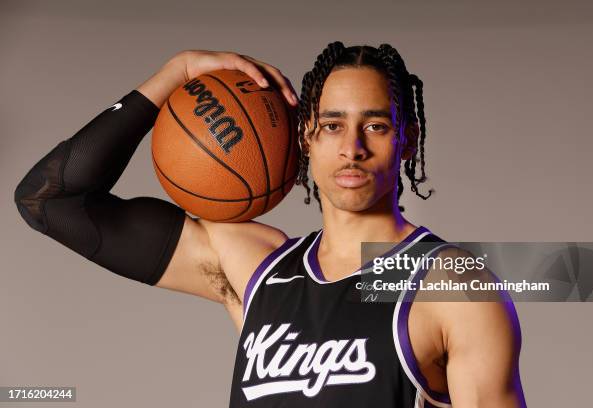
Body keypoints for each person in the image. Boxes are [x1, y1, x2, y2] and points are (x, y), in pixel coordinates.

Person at [14, 42, 526, 407]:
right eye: (331, 125)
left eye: (375, 125)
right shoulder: (256, 267)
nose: (352, 147)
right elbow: (50, 200)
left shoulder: (451, 287)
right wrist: (179, 71)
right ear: (307, 137)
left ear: (407, 140)